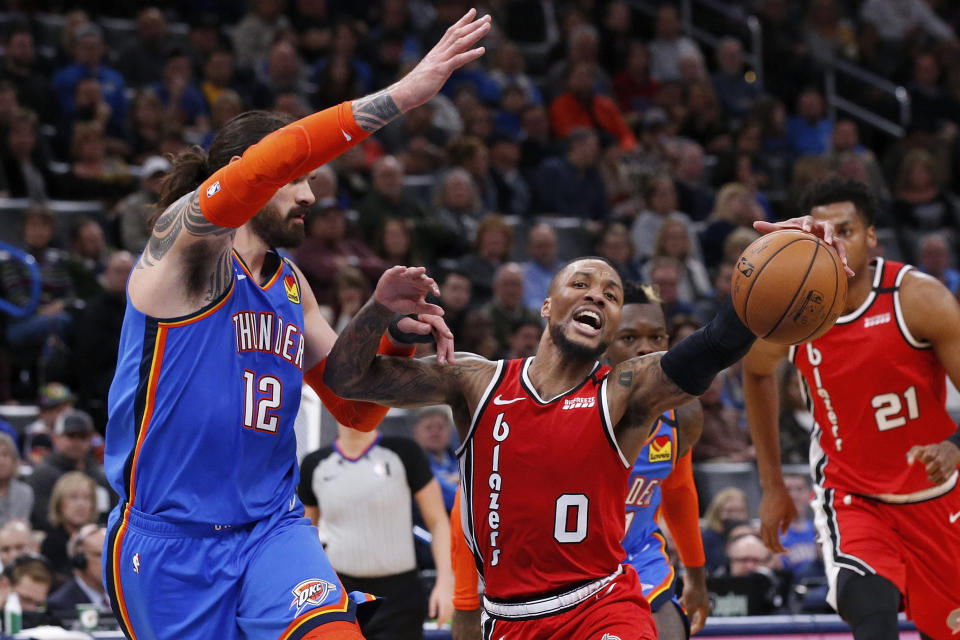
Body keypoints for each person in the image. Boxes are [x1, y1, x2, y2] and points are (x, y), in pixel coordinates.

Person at [101, 10, 489, 640]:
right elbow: (269, 160)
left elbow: (354, 409)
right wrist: (402, 95)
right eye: (298, 180)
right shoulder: (184, 254)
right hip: (170, 543)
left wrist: (381, 318)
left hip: (272, 531)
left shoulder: (290, 285)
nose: (309, 195)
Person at [323, 221, 845, 638]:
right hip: (507, 617)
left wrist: (779, 257)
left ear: (613, 327)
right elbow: (346, 381)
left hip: (602, 607)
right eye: (581, 284)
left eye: (611, 294)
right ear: (547, 306)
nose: (597, 296)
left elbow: (713, 345)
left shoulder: (625, 391)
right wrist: (379, 313)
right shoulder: (475, 381)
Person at [743, 177, 960, 639]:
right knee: (873, 621)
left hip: (935, 496)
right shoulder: (792, 309)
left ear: (871, 236)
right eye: (824, 233)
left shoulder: (918, 299)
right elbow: (756, 372)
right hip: (851, 496)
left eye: (847, 231)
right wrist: (771, 485)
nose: (835, 243)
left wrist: (956, 444)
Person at [605, 282, 709, 638]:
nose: (646, 349)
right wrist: (465, 599)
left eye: (657, 337)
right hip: (570, 565)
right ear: (604, 341)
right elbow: (476, 500)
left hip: (638, 558)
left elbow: (678, 492)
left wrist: (695, 575)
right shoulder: (565, 404)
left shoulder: (683, 413)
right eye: (629, 338)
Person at [299, 424, 453, 640]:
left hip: (400, 599)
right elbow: (304, 537)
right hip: (341, 596)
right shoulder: (314, 464)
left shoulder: (404, 451)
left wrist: (446, 582)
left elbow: (438, 521)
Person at [40, 471, 98, 581]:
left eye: (86, 498)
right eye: (73, 497)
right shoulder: (50, 543)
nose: (81, 504)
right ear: (60, 504)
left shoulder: (101, 539)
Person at [47, 524, 110, 617]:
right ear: (80, 560)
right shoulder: (61, 604)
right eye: (100, 555)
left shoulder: (125, 598)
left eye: (113, 555)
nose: (111, 562)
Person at [0, 434, 32, 527]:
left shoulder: (24, 492)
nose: (1, 461)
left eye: (5, 455)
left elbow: (20, 526)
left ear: (14, 460)